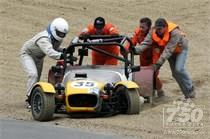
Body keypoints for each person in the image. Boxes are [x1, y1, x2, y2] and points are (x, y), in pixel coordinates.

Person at [134, 18, 195, 99]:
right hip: (170, 53)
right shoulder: (153, 31)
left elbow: (168, 49)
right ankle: (187, 94)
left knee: (179, 69)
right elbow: (146, 43)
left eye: (160, 29)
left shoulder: (175, 33)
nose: (158, 31)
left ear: (165, 27)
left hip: (180, 50)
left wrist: (158, 64)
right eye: (157, 28)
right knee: (175, 74)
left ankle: (190, 88)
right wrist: (135, 50)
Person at [20, 17, 69, 106]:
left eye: (63, 34)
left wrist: (64, 50)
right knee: (33, 75)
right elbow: (50, 52)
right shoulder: (44, 38)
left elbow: (54, 48)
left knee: (37, 79)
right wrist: (62, 56)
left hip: (39, 57)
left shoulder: (57, 39)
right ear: (54, 29)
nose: (61, 35)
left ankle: (35, 97)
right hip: (28, 54)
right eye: (59, 33)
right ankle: (29, 99)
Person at [126, 17, 164, 97]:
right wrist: (126, 49)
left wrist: (155, 64)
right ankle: (149, 92)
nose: (141, 28)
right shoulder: (138, 32)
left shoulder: (154, 35)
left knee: (153, 74)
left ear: (149, 27)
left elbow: (156, 51)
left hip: (154, 55)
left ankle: (160, 90)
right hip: (143, 56)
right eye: (140, 26)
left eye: (143, 27)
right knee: (144, 74)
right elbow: (132, 42)